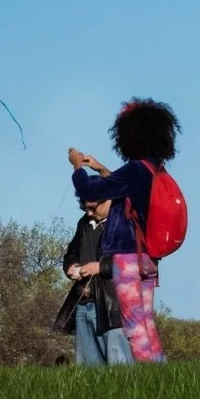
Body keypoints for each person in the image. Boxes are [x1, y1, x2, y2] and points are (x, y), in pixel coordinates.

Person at [69, 97, 181, 363]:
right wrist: (99, 168)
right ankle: (160, 374)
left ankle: (148, 382)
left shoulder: (134, 169)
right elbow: (123, 188)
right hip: (147, 257)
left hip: (127, 257)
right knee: (146, 323)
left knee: (134, 327)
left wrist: (77, 167)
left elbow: (88, 190)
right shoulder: (153, 169)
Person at [56, 197, 132, 366]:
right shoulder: (84, 223)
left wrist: (101, 267)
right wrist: (71, 266)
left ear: (107, 200)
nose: (89, 213)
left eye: (92, 208)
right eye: (85, 209)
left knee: (119, 365)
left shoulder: (123, 222)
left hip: (111, 305)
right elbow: (71, 252)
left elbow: (132, 260)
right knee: (88, 370)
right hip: (82, 303)